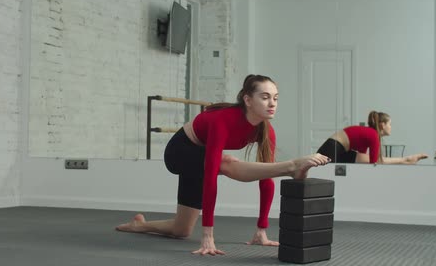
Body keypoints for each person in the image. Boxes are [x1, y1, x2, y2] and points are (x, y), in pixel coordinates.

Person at [116, 74, 330, 256]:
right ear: (247, 99)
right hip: (179, 153)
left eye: (275, 98)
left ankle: (140, 225)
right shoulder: (223, 120)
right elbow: (210, 174)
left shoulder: (266, 131)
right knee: (226, 162)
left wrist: (261, 230)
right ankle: (290, 167)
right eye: (265, 97)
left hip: (196, 163)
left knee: (181, 230)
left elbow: (266, 181)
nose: (272, 103)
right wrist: (208, 236)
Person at [316, 111, 428, 164]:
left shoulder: (370, 134)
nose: (391, 127)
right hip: (333, 149)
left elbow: (364, 159)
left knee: (363, 160)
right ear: (383, 125)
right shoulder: (373, 135)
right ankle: (405, 160)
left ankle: (405, 160)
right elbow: (374, 163)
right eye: (390, 124)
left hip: (339, 150)